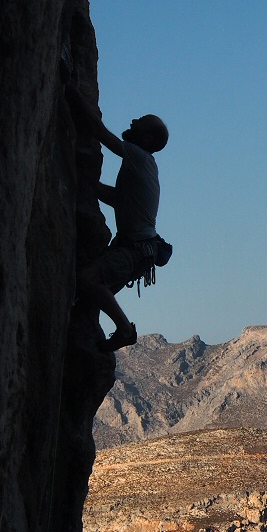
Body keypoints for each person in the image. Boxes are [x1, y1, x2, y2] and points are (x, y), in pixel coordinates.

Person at [67, 86, 168, 351]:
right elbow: (118, 199)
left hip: (134, 251)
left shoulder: (139, 156)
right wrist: (87, 182)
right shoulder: (144, 166)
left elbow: (100, 133)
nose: (133, 121)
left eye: (140, 122)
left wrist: (74, 92)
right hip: (140, 252)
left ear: (146, 138)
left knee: (88, 280)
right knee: (88, 298)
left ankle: (125, 329)